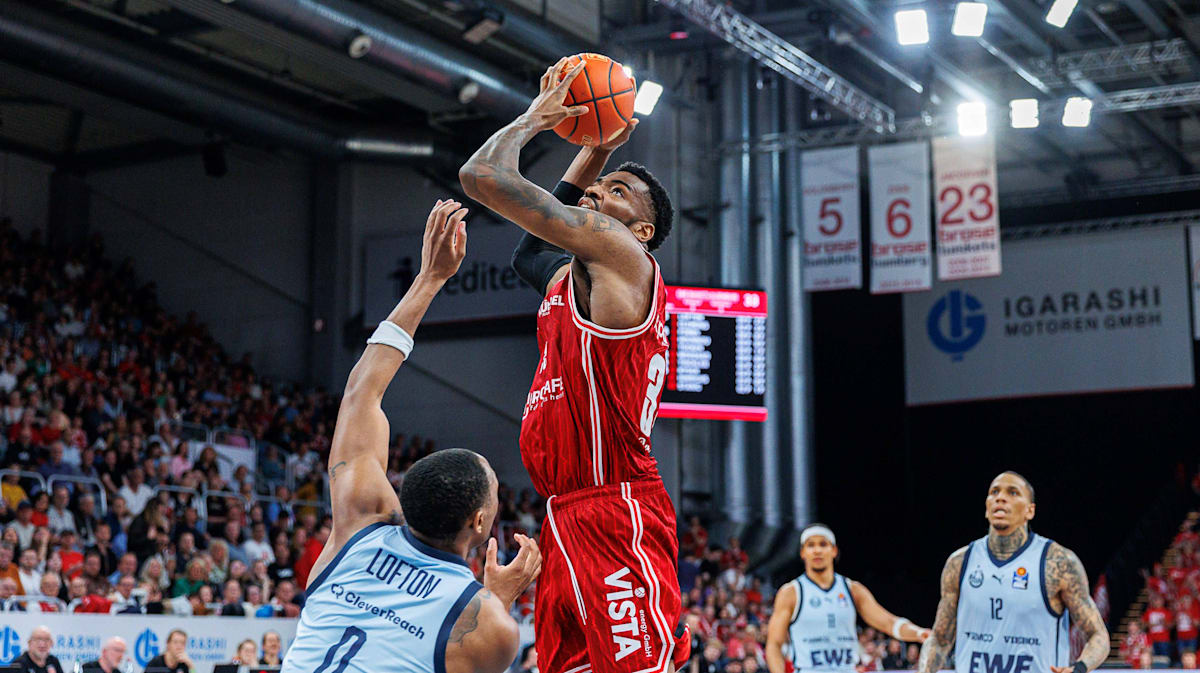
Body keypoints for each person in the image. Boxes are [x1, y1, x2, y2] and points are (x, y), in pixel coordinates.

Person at [459, 58, 686, 673]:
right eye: (597, 187)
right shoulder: (575, 278)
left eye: (617, 191)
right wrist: (592, 152)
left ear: (641, 230)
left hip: (616, 507)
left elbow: (481, 174)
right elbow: (527, 253)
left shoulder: (624, 257)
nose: (594, 193)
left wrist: (538, 118)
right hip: (568, 511)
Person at [280, 200, 541, 673]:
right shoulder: (489, 626)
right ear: (479, 522)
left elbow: (362, 391)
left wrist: (429, 278)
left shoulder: (360, 524)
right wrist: (497, 599)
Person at [917, 472, 1110, 673]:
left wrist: (1078, 668)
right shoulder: (959, 563)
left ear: (1030, 511)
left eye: (1013, 492)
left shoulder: (1058, 563)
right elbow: (939, 639)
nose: (1000, 497)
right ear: (986, 508)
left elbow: (1098, 636)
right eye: (994, 492)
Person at [766, 525, 929, 673]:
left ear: (834, 550)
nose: (817, 550)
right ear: (803, 553)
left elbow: (888, 622)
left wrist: (919, 633)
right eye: (811, 545)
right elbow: (774, 644)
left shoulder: (852, 590)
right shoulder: (792, 592)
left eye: (823, 544)